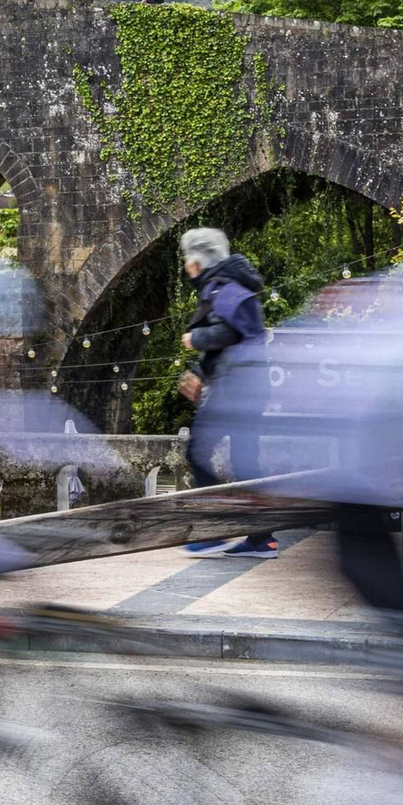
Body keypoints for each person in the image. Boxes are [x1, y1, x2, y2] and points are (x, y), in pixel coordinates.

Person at [176, 227, 276, 558]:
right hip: (250, 386)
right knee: (246, 461)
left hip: (235, 390)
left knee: (198, 452)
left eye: (187, 260)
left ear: (197, 262)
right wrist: (201, 374)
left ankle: (214, 532)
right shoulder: (227, 285)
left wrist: (196, 339)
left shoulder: (221, 287)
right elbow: (236, 341)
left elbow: (229, 332)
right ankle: (263, 539)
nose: (186, 267)